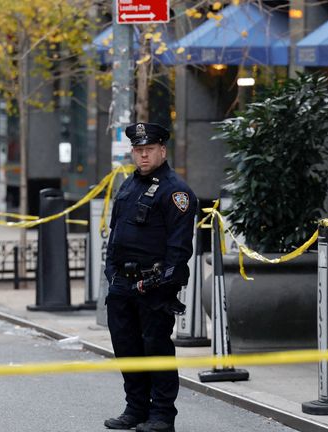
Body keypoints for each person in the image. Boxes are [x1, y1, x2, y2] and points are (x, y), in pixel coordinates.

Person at [103, 122, 196, 432]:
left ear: (162, 150)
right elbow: (115, 233)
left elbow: (179, 248)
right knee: (127, 350)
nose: (143, 156)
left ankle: (162, 415)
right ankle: (136, 409)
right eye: (138, 151)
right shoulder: (129, 185)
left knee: (155, 349)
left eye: (149, 150)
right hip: (122, 284)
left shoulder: (176, 191)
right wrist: (110, 272)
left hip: (152, 286)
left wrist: (163, 283)